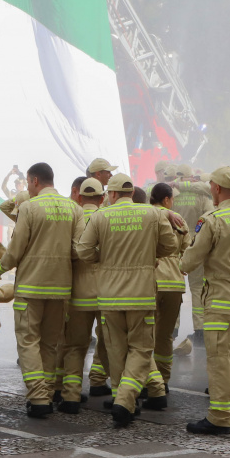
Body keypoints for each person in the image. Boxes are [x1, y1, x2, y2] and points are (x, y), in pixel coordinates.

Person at [76, 173, 179, 427]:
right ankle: (125, 400)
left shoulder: (101, 216)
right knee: (141, 350)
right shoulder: (152, 215)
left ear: (110, 194)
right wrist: (148, 254)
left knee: (116, 350)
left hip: (109, 297)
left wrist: (104, 258)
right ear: (131, 193)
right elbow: (171, 245)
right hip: (142, 295)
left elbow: (84, 251)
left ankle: (122, 399)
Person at [0, 163, 84, 419]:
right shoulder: (74, 209)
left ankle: (38, 396)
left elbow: (15, 250)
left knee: (28, 342)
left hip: (31, 288)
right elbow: (78, 250)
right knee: (49, 344)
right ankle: (44, 393)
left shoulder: (29, 208)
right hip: (61, 289)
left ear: (34, 181)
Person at [180, 167, 230, 434]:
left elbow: (191, 261)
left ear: (215, 188)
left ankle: (219, 416)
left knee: (219, 360)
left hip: (221, 301)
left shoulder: (212, 219)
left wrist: (179, 255)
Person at [59, 178, 108, 411]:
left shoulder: (72, 218)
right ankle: (121, 396)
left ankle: (71, 396)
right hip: (106, 293)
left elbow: (67, 252)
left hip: (78, 294)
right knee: (111, 345)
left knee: (75, 347)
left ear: (79, 197)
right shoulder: (108, 217)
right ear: (102, 198)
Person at [149, 183, 192, 387]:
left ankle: (149, 380)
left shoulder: (145, 215)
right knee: (165, 336)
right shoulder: (179, 220)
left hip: (150, 281)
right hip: (174, 283)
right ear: (166, 199)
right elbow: (188, 250)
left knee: (145, 334)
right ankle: (163, 380)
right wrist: (180, 265)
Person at [172, 164, 214, 345]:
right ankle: (199, 329)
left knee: (174, 288)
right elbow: (209, 216)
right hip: (195, 244)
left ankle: (173, 328)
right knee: (197, 288)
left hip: (172, 245)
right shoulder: (201, 194)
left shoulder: (171, 192)